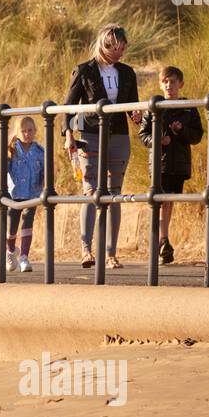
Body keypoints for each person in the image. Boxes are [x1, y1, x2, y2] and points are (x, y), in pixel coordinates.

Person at [61, 24, 141, 269]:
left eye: (122, 48)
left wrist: (137, 116)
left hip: (118, 135)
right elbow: (68, 105)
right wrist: (68, 135)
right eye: (115, 48)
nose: (119, 53)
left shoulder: (127, 73)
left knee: (114, 193)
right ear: (105, 45)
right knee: (91, 191)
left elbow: (132, 105)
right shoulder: (84, 70)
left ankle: (111, 253)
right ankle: (86, 249)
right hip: (90, 134)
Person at [139, 66, 204, 264]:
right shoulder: (154, 105)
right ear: (160, 84)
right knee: (160, 201)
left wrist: (181, 129)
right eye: (165, 82)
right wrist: (158, 140)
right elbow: (143, 135)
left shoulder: (189, 106)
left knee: (169, 202)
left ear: (180, 84)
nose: (169, 85)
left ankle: (162, 241)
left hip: (180, 163)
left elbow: (197, 135)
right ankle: (162, 241)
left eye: (173, 82)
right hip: (160, 163)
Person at [5, 116, 45, 273]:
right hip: (14, 194)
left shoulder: (40, 151)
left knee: (28, 221)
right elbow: (3, 169)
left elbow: (46, 171)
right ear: (17, 133)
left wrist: (46, 187)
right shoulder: (11, 150)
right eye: (23, 131)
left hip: (33, 193)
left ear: (35, 131)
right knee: (12, 225)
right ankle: (10, 251)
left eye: (30, 130)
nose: (27, 134)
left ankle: (24, 256)